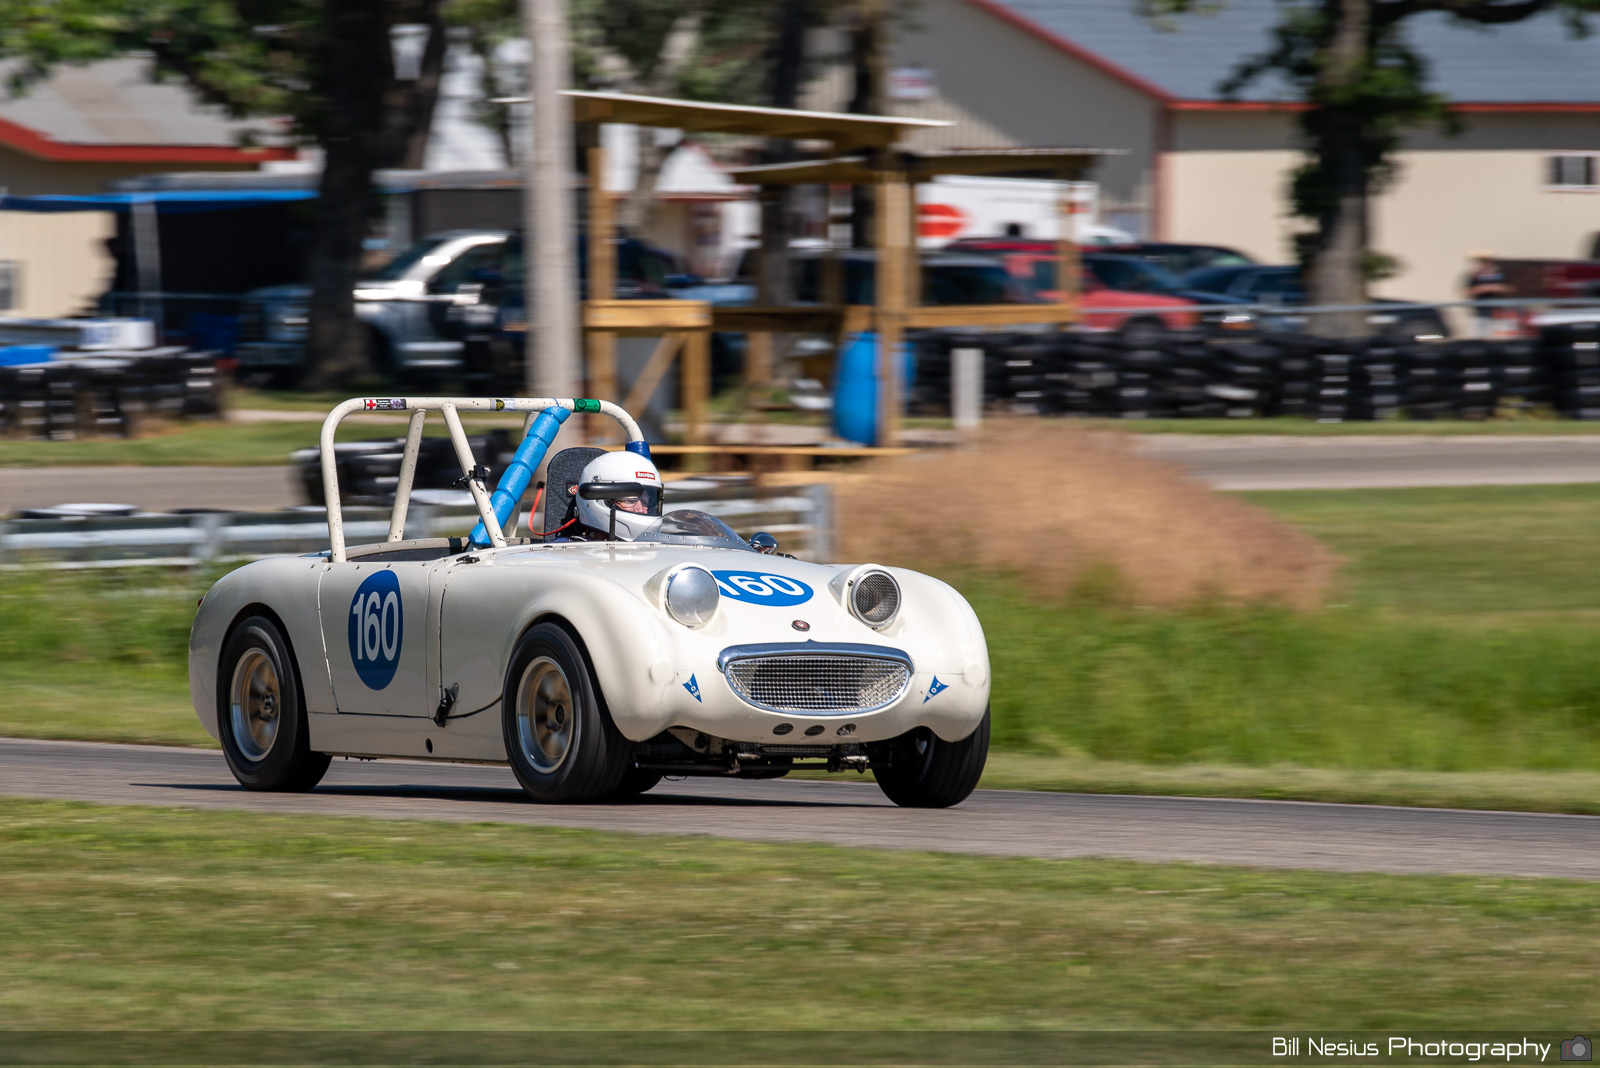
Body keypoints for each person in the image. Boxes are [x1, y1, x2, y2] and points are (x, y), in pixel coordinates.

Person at [566, 451, 663, 541]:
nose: (641, 510)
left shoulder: (659, 553)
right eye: (630, 501)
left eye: (646, 502)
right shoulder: (567, 556)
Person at [1464, 252, 1510, 338]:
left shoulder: (1499, 276)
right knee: (1479, 338)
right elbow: (1466, 291)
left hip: (1497, 314)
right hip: (1479, 314)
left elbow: (1507, 288)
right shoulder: (1475, 276)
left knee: (1498, 338)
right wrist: (1482, 289)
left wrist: (1495, 288)